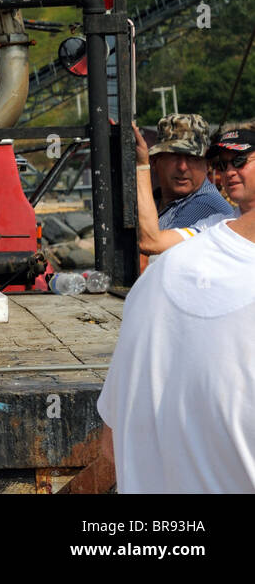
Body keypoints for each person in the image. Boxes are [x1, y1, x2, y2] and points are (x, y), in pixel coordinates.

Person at [97, 126, 255, 492]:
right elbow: (155, 241)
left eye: (241, 161)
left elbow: (111, 446)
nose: (229, 171)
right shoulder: (216, 224)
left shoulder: (207, 209)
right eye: (223, 163)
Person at [132, 113, 235, 256]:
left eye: (192, 158)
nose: (182, 167)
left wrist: (141, 167)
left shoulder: (206, 206)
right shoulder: (156, 199)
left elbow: (150, 246)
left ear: (207, 165)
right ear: (155, 162)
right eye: (174, 156)